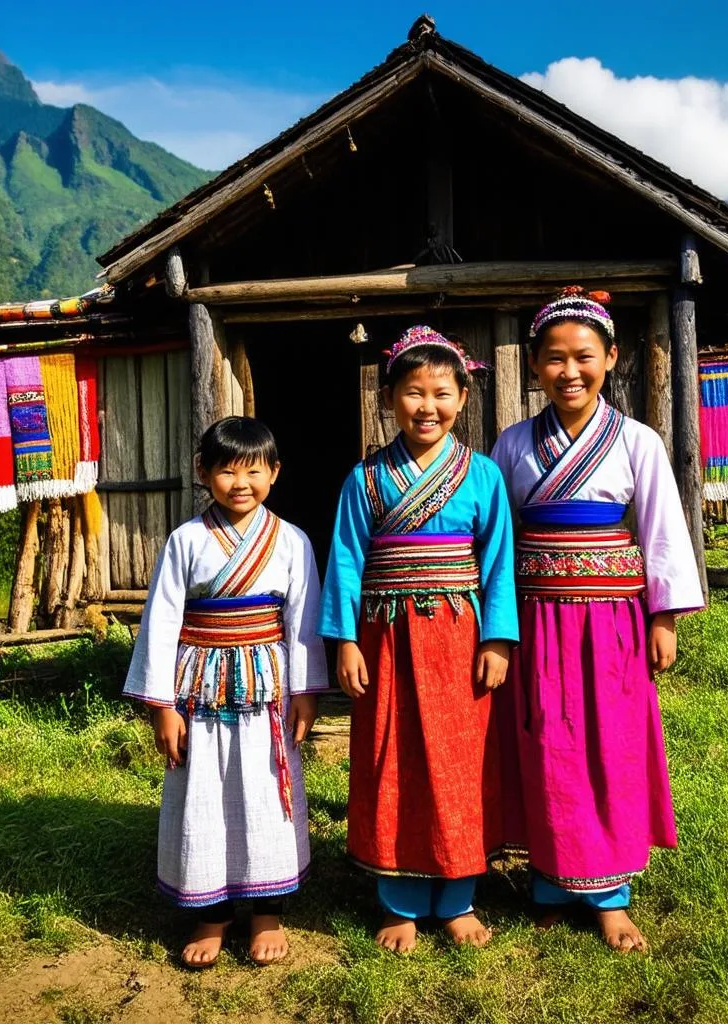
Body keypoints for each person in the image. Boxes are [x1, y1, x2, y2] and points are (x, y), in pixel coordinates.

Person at [490, 288, 704, 952]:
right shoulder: (512, 444)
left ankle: (610, 895)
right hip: (536, 618)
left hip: (612, 620)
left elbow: (662, 529)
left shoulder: (637, 440)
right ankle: (553, 880)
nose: (570, 371)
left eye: (584, 356)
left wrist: (663, 616)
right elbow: (496, 535)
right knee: (548, 743)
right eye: (554, 359)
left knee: (611, 745)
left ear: (611, 357)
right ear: (533, 367)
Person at [319, 325, 518, 954]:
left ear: (463, 397)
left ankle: (457, 894)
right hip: (386, 637)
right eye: (411, 393)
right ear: (387, 398)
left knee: (462, 758)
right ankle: (398, 898)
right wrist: (345, 641)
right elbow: (346, 561)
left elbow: (498, 563)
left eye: (439, 392)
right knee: (392, 756)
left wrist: (499, 639)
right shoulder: (364, 480)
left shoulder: (483, 476)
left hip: (461, 637)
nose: (425, 406)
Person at [123, 416, 328, 968]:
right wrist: (162, 706)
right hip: (199, 692)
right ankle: (211, 913)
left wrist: (307, 693)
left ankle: (267, 909)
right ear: (203, 473)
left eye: (254, 470)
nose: (241, 482)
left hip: (268, 692)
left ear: (275, 473)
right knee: (203, 793)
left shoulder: (291, 540)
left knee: (265, 795)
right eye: (227, 470)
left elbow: (303, 621)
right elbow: (162, 623)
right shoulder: (185, 541)